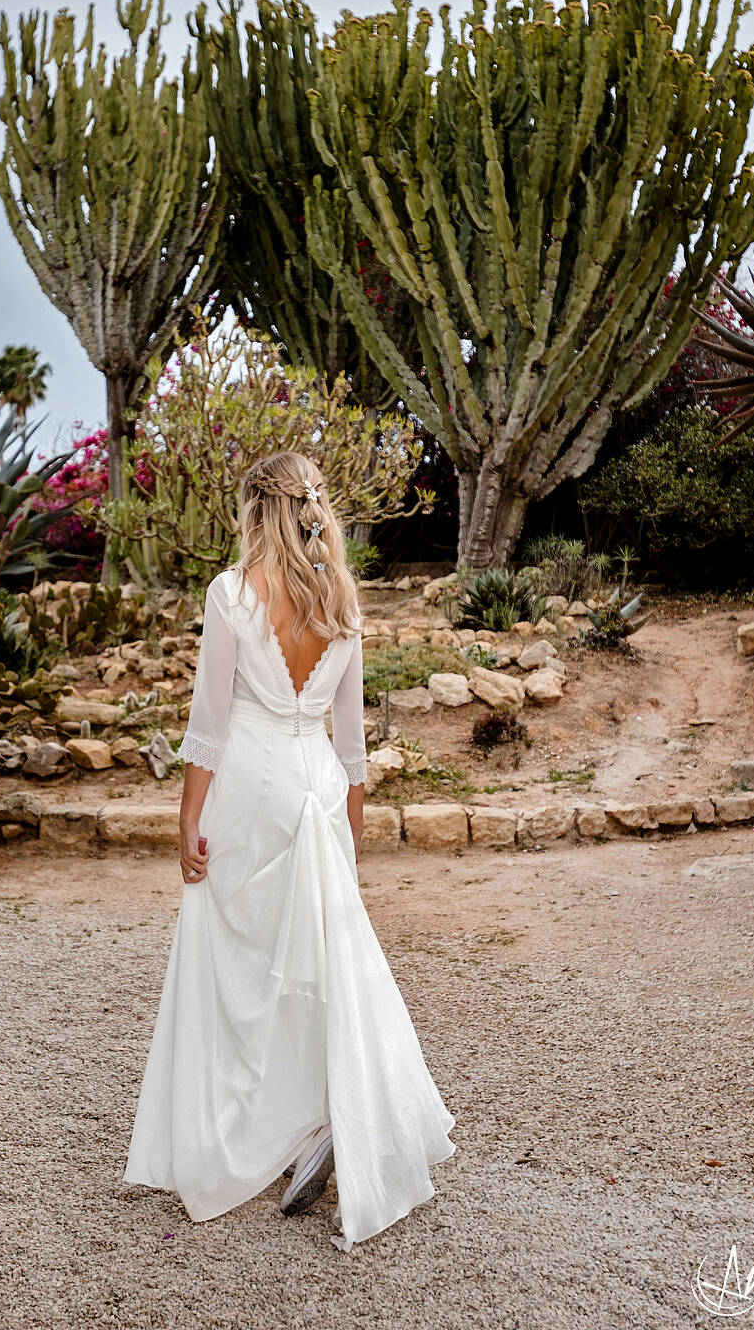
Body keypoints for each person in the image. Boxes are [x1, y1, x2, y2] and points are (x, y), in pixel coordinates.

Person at [123, 452, 456, 1252]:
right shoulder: (344, 598)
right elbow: (352, 737)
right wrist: (352, 820)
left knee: (238, 966)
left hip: (252, 791)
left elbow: (208, 725)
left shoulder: (234, 594)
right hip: (318, 788)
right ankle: (325, 1116)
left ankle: (252, 1132)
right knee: (322, 961)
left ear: (257, 513)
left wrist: (186, 820)